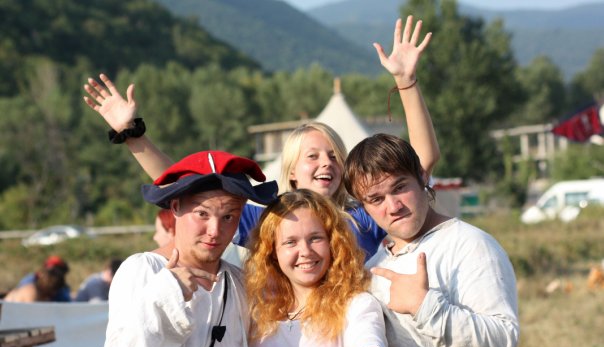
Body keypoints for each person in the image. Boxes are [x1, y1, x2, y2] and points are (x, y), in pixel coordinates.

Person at [82, 14, 439, 262]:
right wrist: (132, 135)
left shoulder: (365, 217)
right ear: (292, 171)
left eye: (334, 155)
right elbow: (184, 184)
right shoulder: (269, 221)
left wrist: (406, 82)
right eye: (313, 156)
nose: (326, 163)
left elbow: (420, 162)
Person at [342, 133, 520, 347]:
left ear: (423, 178)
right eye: (376, 199)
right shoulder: (376, 265)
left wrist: (425, 306)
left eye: (400, 187)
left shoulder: (470, 244)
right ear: (364, 207)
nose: (393, 206)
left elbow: (502, 345)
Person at [100, 150, 277, 347]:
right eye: (202, 214)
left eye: (228, 216)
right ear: (176, 207)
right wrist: (165, 295)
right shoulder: (143, 271)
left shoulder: (241, 284)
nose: (215, 230)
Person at [245, 189, 396, 347]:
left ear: (333, 243)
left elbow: (367, 336)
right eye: (290, 242)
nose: (305, 251)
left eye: (315, 238)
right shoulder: (254, 308)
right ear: (272, 251)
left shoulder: (355, 304)